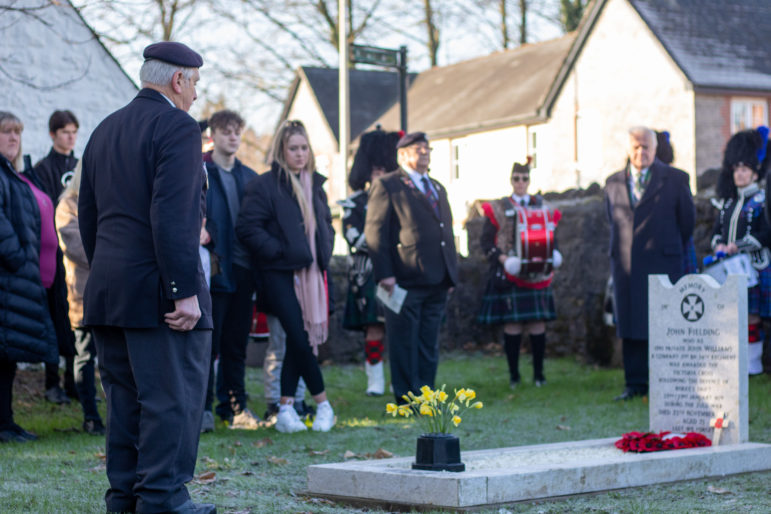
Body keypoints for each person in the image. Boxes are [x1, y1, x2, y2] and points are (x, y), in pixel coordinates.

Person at [78, 42, 214, 514]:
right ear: (178, 80)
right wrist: (185, 293)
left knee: (125, 403)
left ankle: (124, 498)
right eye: (195, 83)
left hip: (110, 291)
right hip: (160, 295)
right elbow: (172, 215)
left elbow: (90, 220)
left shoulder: (104, 129)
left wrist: (109, 276)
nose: (196, 94)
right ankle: (161, 498)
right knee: (170, 401)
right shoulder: (177, 126)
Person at [236, 119, 335, 434]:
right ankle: (323, 405)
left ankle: (287, 408)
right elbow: (248, 228)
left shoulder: (316, 185)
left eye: (304, 148)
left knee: (298, 339)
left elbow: (326, 226)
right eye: (293, 148)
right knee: (298, 337)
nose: (300, 154)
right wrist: (281, 252)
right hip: (278, 275)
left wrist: (325, 249)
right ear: (281, 150)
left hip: (311, 276)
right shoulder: (265, 186)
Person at [364, 131, 458, 404]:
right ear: (402, 154)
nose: (425, 153)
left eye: (427, 149)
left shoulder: (437, 187)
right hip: (403, 278)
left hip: (437, 278)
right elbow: (375, 232)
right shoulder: (388, 185)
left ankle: (425, 397)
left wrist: (451, 272)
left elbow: (446, 232)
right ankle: (406, 401)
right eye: (419, 149)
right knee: (404, 341)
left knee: (429, 343)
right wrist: (385, 274)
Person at [605, 126, 695, 401]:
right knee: (630, 322)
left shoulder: (676, 179)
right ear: (627, 148)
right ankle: (634, 383)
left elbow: (687, 222)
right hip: (627, 264)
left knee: (663, 323)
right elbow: (612, 221)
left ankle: (666, 382)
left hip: (663, 261)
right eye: (635, 146)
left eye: (646, 147)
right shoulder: (613, 183)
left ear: (655, 149)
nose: (641, 152)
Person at [477, 160, 562, 388]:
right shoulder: (498, 207)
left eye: (524, 178)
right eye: (517, 178)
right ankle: (514, 376)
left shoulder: (542, 206)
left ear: (529, 180)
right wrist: (504, 260)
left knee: (537, 323)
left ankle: (539, 375)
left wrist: (553, 253)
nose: (521, 183)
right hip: (511, 273)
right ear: (511, 180)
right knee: (512, 325)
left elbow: (552, 233)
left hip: (538, 274)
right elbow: (486, 242)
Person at [0, 111, 58, 443]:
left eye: (17, 133)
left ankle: (6, 422)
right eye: (6, 132)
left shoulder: (12, 174)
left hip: (18, 282)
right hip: (9, 277)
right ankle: (3, 424)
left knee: (7, 357)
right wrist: (18, 257)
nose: (13, 138)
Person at [200, 109, 259, 432]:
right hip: (212, 269)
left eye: (237, 131)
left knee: (237, 343)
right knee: (209, 344)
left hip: (243, 269)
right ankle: (203, 408)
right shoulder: (199, 170)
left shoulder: (250, 176)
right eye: (226, 131)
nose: (233, 136)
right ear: (213, 135)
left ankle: (235, 406)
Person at [339, 128, 400, 396]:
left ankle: (400, 377)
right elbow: (354, 237)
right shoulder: (353, 204)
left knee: (398, 328)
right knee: (374, 328)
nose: (379, 174)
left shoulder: (400, 198)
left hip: (398, 271)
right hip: (366, 273)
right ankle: (374, 379)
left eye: (383, 169)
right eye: (374, 170)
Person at [711, 128, 770, 375]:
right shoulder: (727, 203)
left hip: (755, 267)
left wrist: (740, 245)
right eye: (736, 170)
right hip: (728, 268)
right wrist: (720, 246)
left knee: (753, 317)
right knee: (733, 316)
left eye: (744, 169)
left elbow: (766, 234)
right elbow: (717, 232)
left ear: (755, 173)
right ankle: (735, 364)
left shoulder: (761, 200)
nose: (739, 174)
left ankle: (753, 365)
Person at [55, 162, 106, 435]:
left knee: (110, 358)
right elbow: (77, 247)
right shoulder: (67, 205)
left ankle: (115, 416)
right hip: (83, 295)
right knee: (85, 357)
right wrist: (111, 251)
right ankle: (90, 416)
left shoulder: (102, 201)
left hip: (109, 294)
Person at [33, 110, 80, 405]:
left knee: (75, 319)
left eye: (74, 131)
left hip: (76, 257)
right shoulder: (41, 169)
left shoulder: (81, 167)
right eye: (64, 131)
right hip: (52, 256)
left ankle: (73, 383)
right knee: (52, 319)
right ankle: (52, 384)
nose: (70, 136)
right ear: (53, 134)